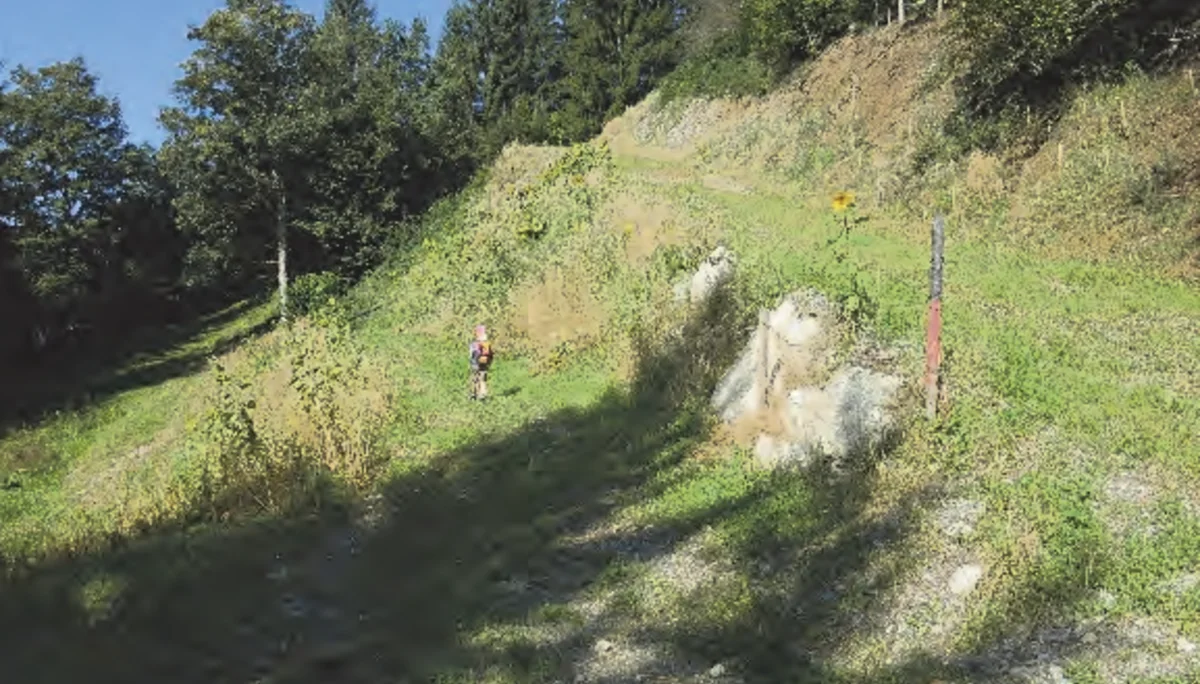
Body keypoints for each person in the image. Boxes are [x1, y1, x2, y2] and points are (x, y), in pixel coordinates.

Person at [469, 325, 494, 400]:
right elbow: (491, 355)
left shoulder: (474, 344)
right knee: (483, 378)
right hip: (485, 363)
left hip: (476, 363)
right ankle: (482, 393)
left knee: (475, 378)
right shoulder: (487, 344)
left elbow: (471, 355)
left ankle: (474, 393)